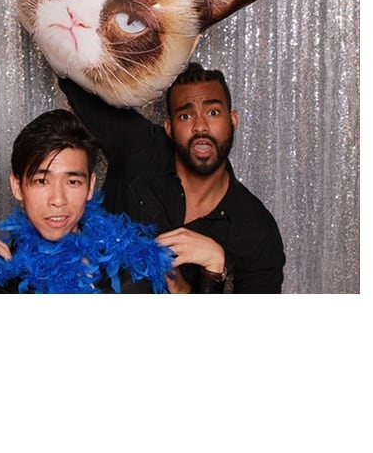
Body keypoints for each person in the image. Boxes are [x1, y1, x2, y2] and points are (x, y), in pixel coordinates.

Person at [61, 63, 286, 291]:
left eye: (213, 113)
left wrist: (211, 269)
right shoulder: (139, 146)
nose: (200, 127)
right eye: (186, 116)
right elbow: (71, 69)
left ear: (233, 120)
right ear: (169, 128)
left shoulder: (257, 230)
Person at [0, 112, 174, 293]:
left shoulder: (132, 269)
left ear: (90, 186)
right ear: (17, 187)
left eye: (73, 182)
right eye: (41, 181)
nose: (57, 200)